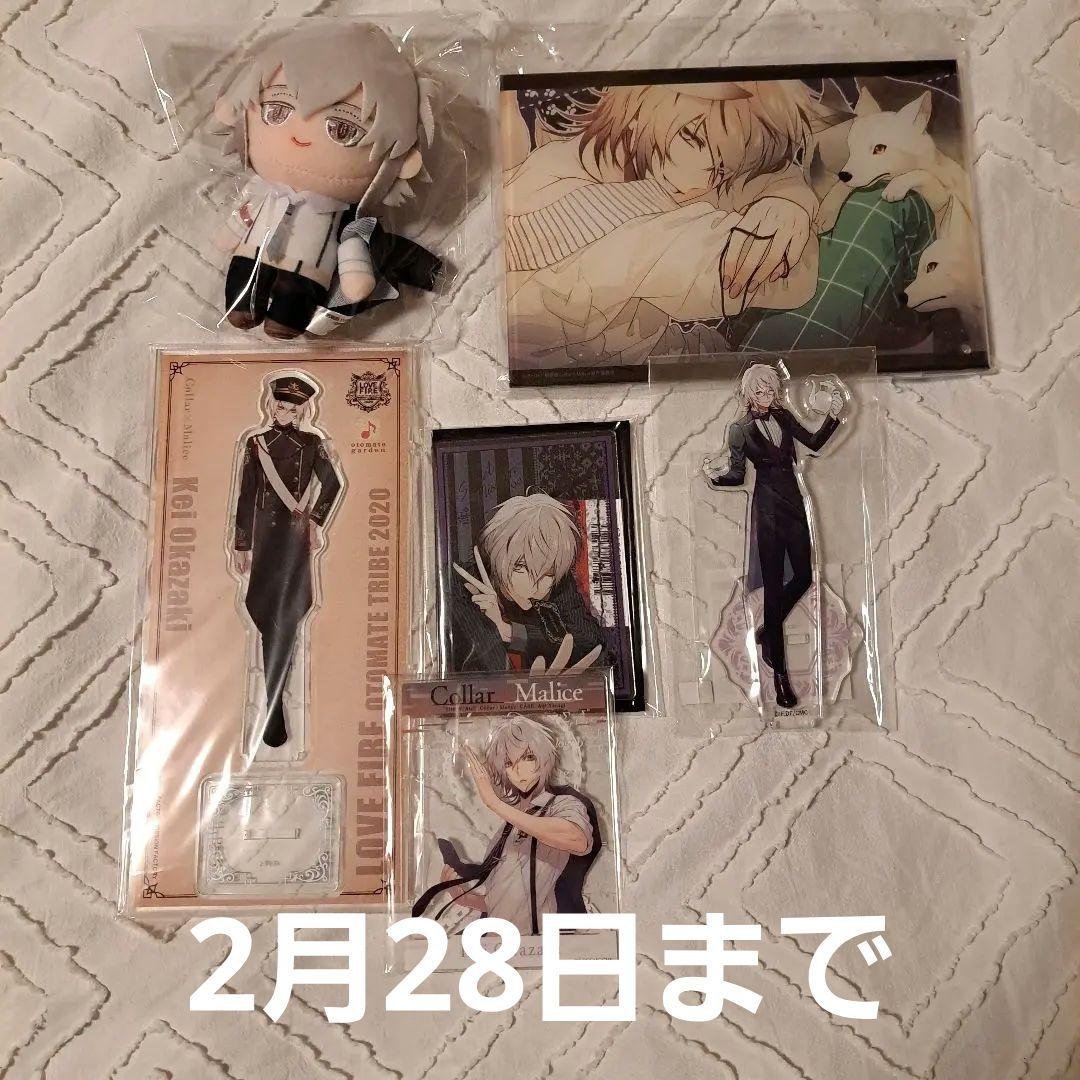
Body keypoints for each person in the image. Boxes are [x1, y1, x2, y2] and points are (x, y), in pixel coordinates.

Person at [212, 22, 441, 338]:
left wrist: (355, 274)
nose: (299, 136)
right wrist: (231, 231)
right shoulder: (260, 191)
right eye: (277, 111)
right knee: (242, 285)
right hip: (250, 256)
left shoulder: (341, 216)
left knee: (293, 302)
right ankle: (242, 307)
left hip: (307, 271)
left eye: (343, 129)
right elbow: (246, 215)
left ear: (402, 162)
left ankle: (286, 319)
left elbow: (350, 244)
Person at [703, 364, 843, 709]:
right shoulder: (739, 429)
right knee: (774, 590)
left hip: (794, 504)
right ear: (749, 393)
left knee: (805, 576)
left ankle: (768, 629)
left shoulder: (783, 416)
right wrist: (713, 475)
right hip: (766, 512)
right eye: (760, 390)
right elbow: (738, 475)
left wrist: (834, 417)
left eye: (770, 390)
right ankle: (780, 678)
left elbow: (813, 442)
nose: (766, 396)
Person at [412, 716, 601, 935]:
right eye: (509, 763)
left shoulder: (561, 804)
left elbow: (578, 839)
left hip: (536, 941)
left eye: (528, 758)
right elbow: (501, 900)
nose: (518, 771)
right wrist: (461, 896)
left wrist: (494, 803)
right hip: (498, 940)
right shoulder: (507, 829)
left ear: (544, 759)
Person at [232, 375, 343, 746]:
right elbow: (246, 495)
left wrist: (314, 521)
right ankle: (274, 707)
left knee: (289, 616)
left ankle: (275, 707)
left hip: (293, 541)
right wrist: (242, 544)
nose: (286, 413)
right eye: (281, 406)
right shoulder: (256, 444)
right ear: (271, 405)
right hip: (265, 540)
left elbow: (332, 484)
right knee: (265, 615)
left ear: (302, 412)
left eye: (294, 409)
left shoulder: (312, 444)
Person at [448, 493, 608, 676]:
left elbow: (590, 640)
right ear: (498, 556)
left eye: (548, 574)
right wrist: (489, 625)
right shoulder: (461, 587)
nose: (535, 587)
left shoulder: (555, 577)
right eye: (522, 567)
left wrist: (509, 630)